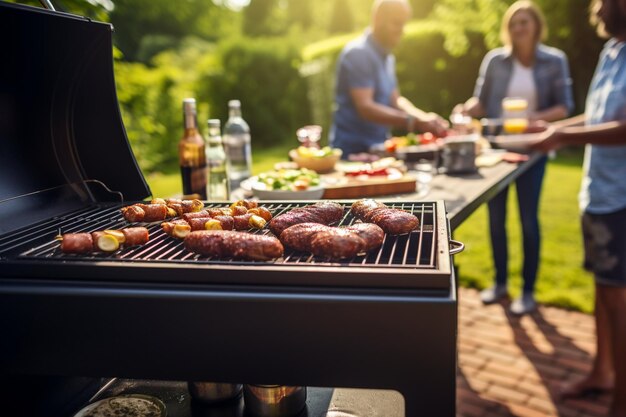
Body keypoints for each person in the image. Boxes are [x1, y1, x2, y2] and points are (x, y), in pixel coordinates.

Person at [532, 0, 626, 413]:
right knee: (604, 293)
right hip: (599, 192)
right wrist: (555, 129)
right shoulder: (613, 51)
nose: (598, 8)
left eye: (608, 1)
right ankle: (602, 372)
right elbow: (597, 116)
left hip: (622, 198)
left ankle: (622, 400)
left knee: (618, 298)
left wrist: (562, 139)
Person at [452, 0, 574, 315]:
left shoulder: (554, 61)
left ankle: (528, 291)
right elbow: (479, 102)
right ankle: (500, 283)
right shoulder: (495, 61)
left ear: (536, 26)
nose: (519, 27)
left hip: (534, 150)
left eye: (524, 22)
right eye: (513, 23)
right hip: (499, 150)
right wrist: (464, 109)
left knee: (529, 221)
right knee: (496, 220)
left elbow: (564, 107)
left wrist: (535, 119)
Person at [329, 0, 448, 157]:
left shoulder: (387, 57)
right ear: (378, 20)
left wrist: (423, 117)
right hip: (353, 150)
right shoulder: (358, 53)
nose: (402, 30)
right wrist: (413, 122)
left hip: (379, 146)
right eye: (397, 23)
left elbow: (396, 100)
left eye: (403, 24)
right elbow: (366, 108)